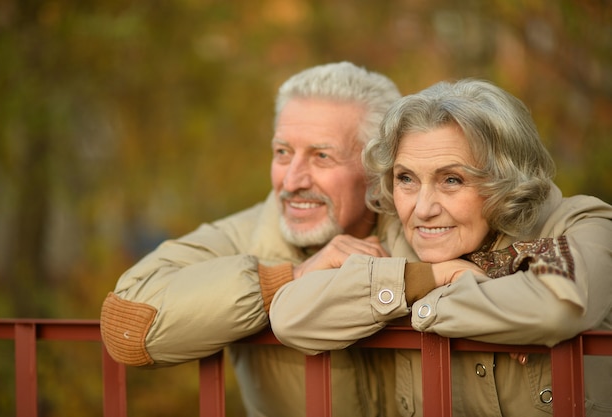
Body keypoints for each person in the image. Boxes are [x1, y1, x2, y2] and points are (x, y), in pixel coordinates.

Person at [270, 79, 612, 416]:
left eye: (452, 180)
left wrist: (418, 302)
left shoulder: (583, 226)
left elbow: (555, 309)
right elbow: (290, 316)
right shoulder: (400, 243)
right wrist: (433, 276)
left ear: (506, 181)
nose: (422, 209)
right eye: (406, 178)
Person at [99, 62, 402, 416]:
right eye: (282, 153)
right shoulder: (241, 237)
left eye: (321, 156)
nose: (291, 182)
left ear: (377, 168)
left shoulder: (425, 232)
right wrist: (290, 280)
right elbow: (127, 326)